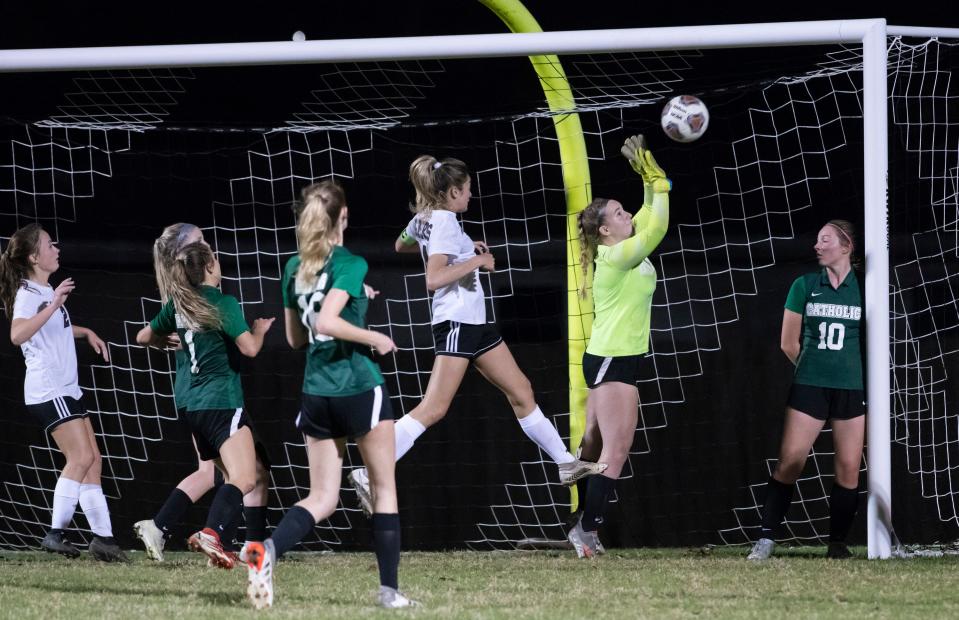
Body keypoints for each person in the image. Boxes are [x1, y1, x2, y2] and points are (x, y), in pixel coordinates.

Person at [349, 155, 606, 515]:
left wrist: (465, 248)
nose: (471, 196)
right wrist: (476, 261)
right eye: (467, 190)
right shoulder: (443, 222)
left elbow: (401, 244)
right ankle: (369, 470)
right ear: (453, 191)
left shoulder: (428, 218)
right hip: (456, 324)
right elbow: (433, 279)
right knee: (433, 408)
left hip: (476, 325)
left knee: (522, 392)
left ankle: (565, 462)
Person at [244, 179, 415, 610]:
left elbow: (296, 338)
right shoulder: (351, 262)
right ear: (342, 217)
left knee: (322, 497)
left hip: (316, 392)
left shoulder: (292, 267)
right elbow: (326, 323)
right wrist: (374, 335)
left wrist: (356, 302)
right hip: (358, 385)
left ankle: (268, 549)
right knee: (384, 488)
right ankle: (389, 592)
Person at [134, 223, 267, 566]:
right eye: (205, 246)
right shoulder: (221, 302)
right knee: (244, 476)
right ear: (204, 262)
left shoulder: (179, 300)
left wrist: (164, 341)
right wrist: (259, 330)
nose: (213, 251)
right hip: (219, 397)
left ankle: (221, 542)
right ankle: (215, 535)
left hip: (191, 402)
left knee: (234, 474)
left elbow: (143, 336)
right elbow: (250, 349)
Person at [567, 135, 671, 558]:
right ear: (605, 230)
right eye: (619, 213)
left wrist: (648, 182)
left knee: (593, 445)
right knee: (616, 449)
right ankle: (586, 530)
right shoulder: (615, 257)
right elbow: (658, 225)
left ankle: (576, 513)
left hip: (609, 358)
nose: (628, 214)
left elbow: (647, 216)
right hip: (614, 360)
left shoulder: (619, 249)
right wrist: (661, 185)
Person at [0, 223, 127, 561]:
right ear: (33, 257)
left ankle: (104, 540)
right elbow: (17, 334)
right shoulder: (29, 293)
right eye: (48, 245)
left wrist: (85, 332)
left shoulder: (44, 291)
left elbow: (53, 329)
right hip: (48, 388)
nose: (56, 248)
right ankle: (55, 534)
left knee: (94, 461)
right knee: (81, 458)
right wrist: (54, 303)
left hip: (66, 388)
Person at [747, 219, 864, 561]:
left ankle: (837, 545)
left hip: (850, 389)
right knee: (791, 462)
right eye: (816, 240)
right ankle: (766, 539)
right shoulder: (804, 285)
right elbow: (787, 342)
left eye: (825, 239)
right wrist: (815, 369)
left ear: (846, 247)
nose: (817, 245)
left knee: (848, 469)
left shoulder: (866, 288)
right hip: (809, 386)